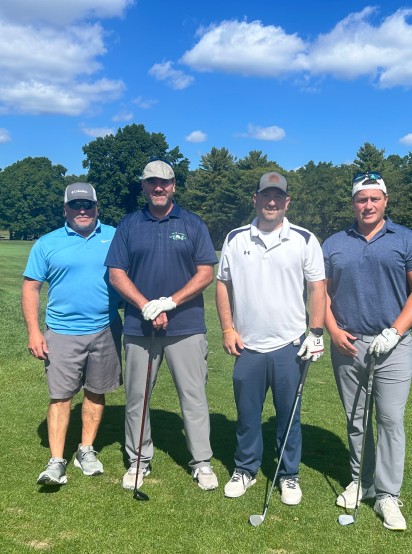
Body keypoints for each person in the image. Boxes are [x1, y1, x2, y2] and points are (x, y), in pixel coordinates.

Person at [322, 172, 412, 531]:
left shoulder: (407, 239)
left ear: (385, 201)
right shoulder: (335, 243)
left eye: (374, 198)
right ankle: (362, 481)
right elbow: (321, 293)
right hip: (348, 345)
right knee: (356, 419)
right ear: (353, 203)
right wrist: (333, 330)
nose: (368, 205)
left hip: (392, 346)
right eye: (361, 199)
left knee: (389, 420)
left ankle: (387, 494)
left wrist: (395, 331)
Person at [104, 158, 219, 492]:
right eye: (152, 182)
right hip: (139, 327)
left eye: (164, 182)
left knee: (194, 396)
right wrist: (146, 306)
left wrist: (170, 302)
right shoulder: (129, 224)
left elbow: (206, 272)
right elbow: (116, 274)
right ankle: (138, 460)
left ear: (173, 186)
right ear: (143, 186)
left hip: (187, 326)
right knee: (137, 396)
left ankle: (201, 462)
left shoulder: (192, 223)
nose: (158, 188)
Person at [216, 171, 326, 505]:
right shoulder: (235, 238)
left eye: (278, 197)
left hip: (289, 345)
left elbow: (317, 288)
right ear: (256, 199)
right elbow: (222, 283)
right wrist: (227, 328)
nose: (272, 202)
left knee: (289, 416)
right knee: (247, 415)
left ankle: (288, 475)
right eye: (266, 195)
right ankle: (245, 469)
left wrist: (316, 332)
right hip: (247, 345)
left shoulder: (304, 239)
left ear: (287, 202)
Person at [22, 182, 123, 485]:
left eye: (88, 205)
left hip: (106, 328)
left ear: (96, 207)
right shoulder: (46, 243)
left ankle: (86, 450)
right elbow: (31, 288)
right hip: (61, 332)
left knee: (96, 391)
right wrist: (34, 332)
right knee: (61, 396)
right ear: (65, 208)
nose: (82, 210)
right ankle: (56, 461)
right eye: (76, 205)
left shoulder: (115, 236)